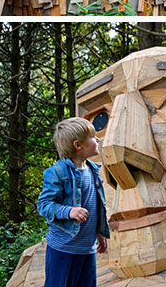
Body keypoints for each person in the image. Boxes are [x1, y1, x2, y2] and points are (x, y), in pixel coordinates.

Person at [37, 117, 110, 287]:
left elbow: (96, 205)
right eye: (92, 136)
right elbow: (44, 204)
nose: (97, 138)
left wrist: (100, 232)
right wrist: (69, 211)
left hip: (87, 249)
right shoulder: (57, 172)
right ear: (78, 145)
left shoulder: (93, 169)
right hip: (63, 250)